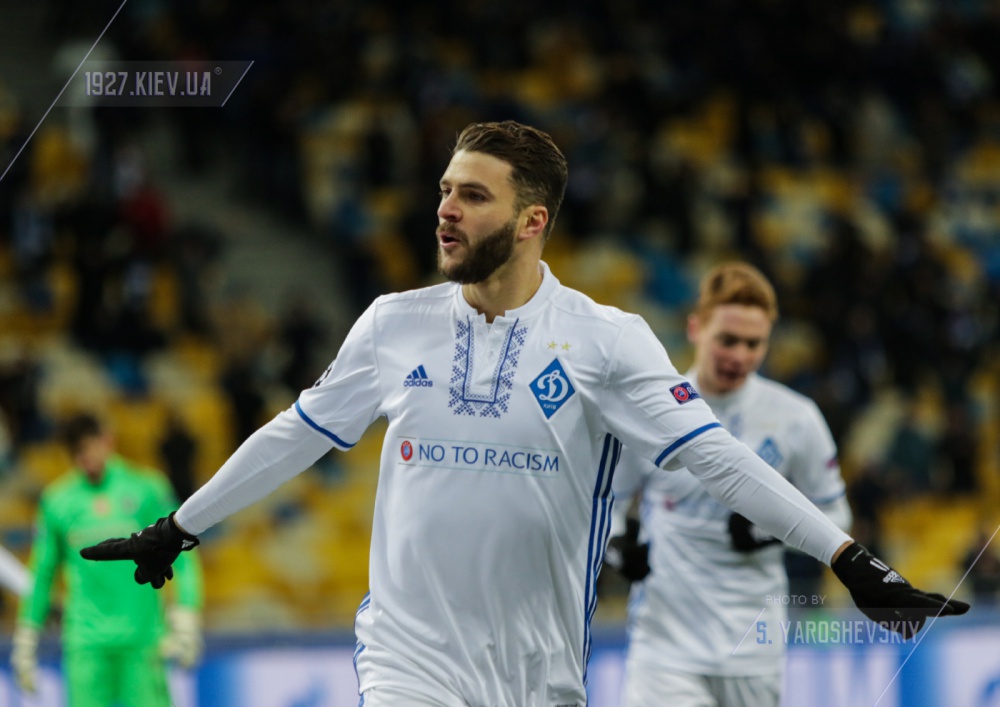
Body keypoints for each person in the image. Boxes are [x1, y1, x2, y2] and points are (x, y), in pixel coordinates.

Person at [80, 121, 967, 707]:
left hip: (538, 673)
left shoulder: (606, 340)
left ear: (532, 219)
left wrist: (848, 558)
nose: (445, 209)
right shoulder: (393, 324)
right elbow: (294, 436)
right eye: (444, 189)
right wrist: (180, 527)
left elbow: (717, 456)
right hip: (407, 659)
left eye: (472, 195)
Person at [608, 262, 854, 707]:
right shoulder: (651, 411)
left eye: (753, 343)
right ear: (696, 329)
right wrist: (617, 547)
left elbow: (837, 516)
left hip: (753, 650)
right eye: (727, 340)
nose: (739, 355)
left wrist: (767, 531)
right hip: (664, 649)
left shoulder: (796, 418)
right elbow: (609, 502)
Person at [11, 412, 204, 706]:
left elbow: (183, 555)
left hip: (142, 640)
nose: (84, 458)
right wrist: (27, 635)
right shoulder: (58, 501)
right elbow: (43, 572)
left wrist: (187, 613)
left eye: (88, 447)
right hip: (86, 643)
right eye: (76, 451)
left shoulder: (146, 489)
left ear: (107, 440)